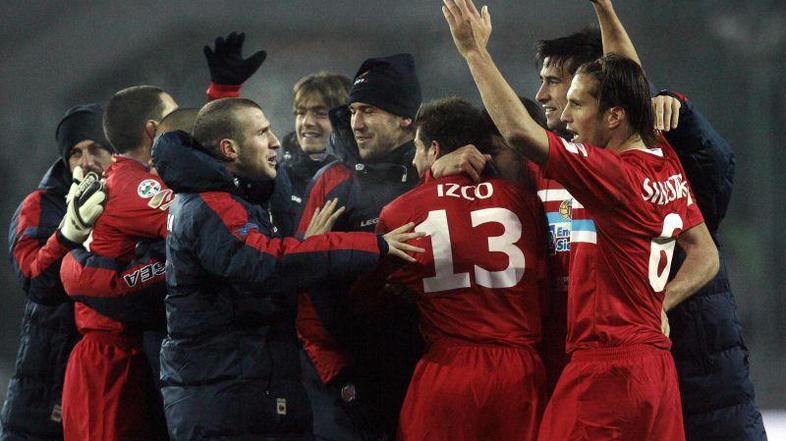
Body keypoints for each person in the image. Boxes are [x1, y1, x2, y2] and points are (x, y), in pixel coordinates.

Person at [442, 1, 719, 439]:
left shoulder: (609, 173)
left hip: (606, 368)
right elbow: (628, 76)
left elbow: (518, 131)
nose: (565, 116)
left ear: (612, 116)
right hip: (654, 365)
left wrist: (473, 51)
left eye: (576, 103)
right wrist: (605, 8)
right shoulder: (661, 157)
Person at [152, 97, 422, 440]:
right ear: (230, 149)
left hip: (237, 389)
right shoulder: (210, 204)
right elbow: (269, 264)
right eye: (263, 132)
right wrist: (373, 244)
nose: (276, 140)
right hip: (223, 398)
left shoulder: (227, 198)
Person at [586, 1, 767, 439]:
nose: (546, 96)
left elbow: (716, 166)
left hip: (698, 368)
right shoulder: (597, 165)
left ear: (611, 109)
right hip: (645, 367)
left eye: (563, 88)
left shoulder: (659, 153)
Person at [374, 97, 549, 441]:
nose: (412, 159)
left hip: (448, 371)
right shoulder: (529, 201)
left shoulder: (399, 211)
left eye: (417, 149)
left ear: (434, 150)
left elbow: (368, 298)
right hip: (521, 372)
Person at [295, 53, 423, 440]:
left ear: (405, 118)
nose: (357, 124)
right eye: (353, 111)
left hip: (426, 360)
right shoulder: (331, 181)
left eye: (368, 110)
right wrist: (336, 367)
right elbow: (304, 286)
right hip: (348, 368)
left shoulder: (434, 170)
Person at [60, 85, 177, 441]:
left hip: (122, 351)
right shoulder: (132, 186)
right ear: (153, 129)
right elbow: (199, 221)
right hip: (109, 360)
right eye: (174, 116)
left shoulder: (128, 180)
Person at [1, 104, 110, 441]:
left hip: (111, 380)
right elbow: (36, 284)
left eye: (96, 149)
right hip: (46, 390)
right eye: (76, 153)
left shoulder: (136, 198)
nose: (86, 161)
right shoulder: (40, 205)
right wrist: (67, 236)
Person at [270, 72, 351, 237]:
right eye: (300, 113)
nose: (306, 122)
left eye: (320, 113)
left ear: (347, 120)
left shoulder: (364, 178)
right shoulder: (276, 177)